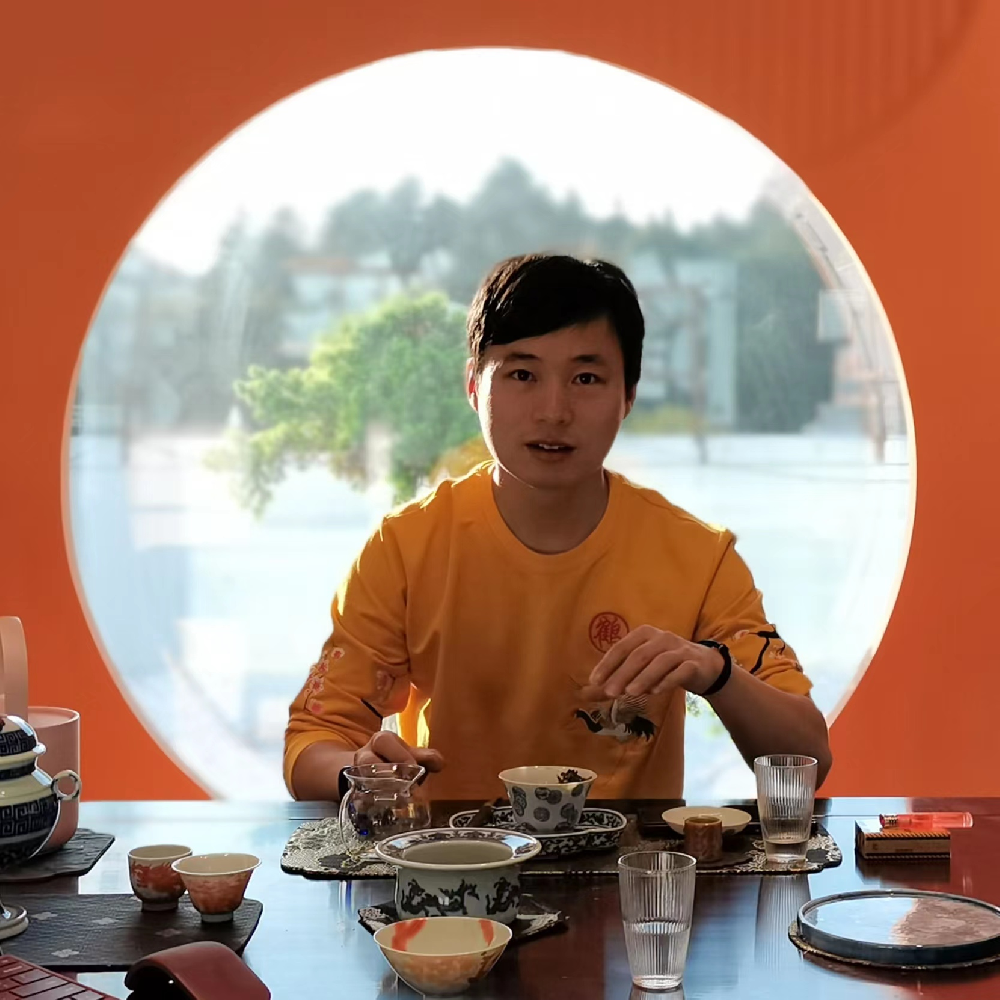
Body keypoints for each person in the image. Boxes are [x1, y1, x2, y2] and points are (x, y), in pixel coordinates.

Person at [284, 253, 832, 802]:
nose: (554, 411)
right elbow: (312, 741)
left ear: (628, 396)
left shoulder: (698, 555)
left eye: (586, 378)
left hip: (629, 857)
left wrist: (717, 673)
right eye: (522, 374)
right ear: (474, 385)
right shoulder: (405, 547)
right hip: (450, 851)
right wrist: (358, 772)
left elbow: (809, 758)